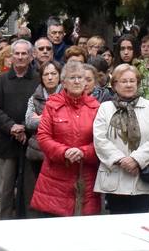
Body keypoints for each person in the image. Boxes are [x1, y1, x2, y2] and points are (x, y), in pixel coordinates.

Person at [29, 62, 101, 216]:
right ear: (64, 82)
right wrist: (64, 152)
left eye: (80, 78)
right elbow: (43, 136)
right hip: (55, 177)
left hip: (85, 177)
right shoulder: (53, 105)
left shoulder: (96, 107)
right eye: (72, 77)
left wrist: (83, 152)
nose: (77, 81)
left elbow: (102, 141)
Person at [93, 64, 149, 213]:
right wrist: (121, 159)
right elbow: (100, 139)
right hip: (114, 175)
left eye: (132, 81)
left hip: (142, 176)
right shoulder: (105, 108)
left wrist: (136, 159)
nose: (128, 84)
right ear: (114, 85)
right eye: (124, 81)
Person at [0, 40, 38, 219]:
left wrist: (25, 127)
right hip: (7, 141)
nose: (21, 57)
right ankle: (1, 225)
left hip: (32, 142)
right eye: (17, 54)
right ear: (11, 57)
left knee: (29, 188)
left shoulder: (38, 80)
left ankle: (28, 224)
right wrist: (12, 127)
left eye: (25, 54)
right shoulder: (1, 80)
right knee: (5, 189)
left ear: (31, 57)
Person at [23, 60, 63, 179]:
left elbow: (66, 121)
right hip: (37, 151)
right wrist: (53, 118)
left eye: (54, 73)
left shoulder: (68, 95)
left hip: (60, 150)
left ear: (60, 75)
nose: (50, 77)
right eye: (46, 74)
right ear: (41, 77)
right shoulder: (34, 97)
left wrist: (42, 117)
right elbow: (29, 122)